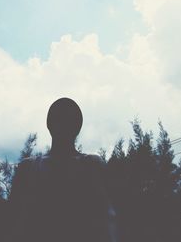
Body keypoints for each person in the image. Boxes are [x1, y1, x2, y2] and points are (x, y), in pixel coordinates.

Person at [9, 98, 117, 242]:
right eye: (59, 118)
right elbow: (13, 223)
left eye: (68, 119)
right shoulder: (28, 168)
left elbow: (108, 219)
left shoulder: (92, 165)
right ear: (50, 124)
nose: (63, 124)